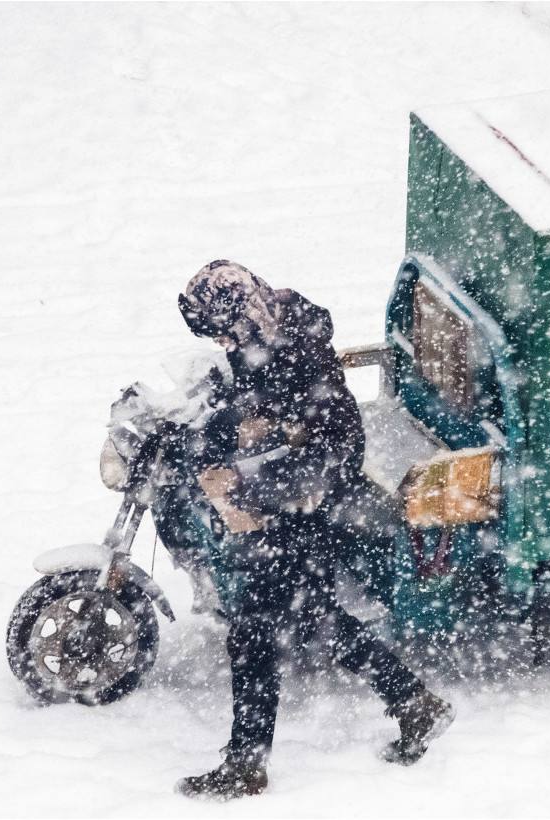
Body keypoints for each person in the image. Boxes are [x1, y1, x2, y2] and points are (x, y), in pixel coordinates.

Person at [174, 260, 453, 800]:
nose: (221, 339)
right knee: (313, 616)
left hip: (316, 501)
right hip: (290, 495)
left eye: (221, 328)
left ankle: (247, 764)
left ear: (243, 312)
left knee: (256, 629)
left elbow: (330, 453)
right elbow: (257, 406)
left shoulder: (295, 352)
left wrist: (248, 486)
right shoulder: (263, 331)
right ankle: (415, 703)